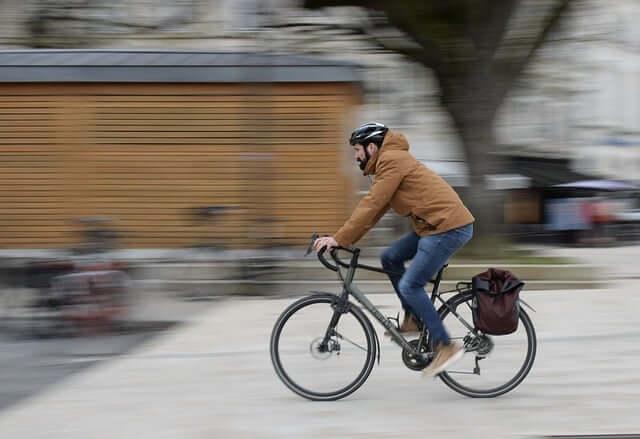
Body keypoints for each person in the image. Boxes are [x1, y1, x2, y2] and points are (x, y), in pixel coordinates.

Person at [313, 122, 475, 377]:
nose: (356, 156)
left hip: (448, 227)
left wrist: (340, 238)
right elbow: (375, 210)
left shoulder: (391, 160)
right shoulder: (388, 164)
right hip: (431, 226)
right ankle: (413, 319)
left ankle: (445, 345)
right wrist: (344, 238)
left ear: (371, 147)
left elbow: (372, 203)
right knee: (390, 257)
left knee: (411, 285)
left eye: (357, 150)